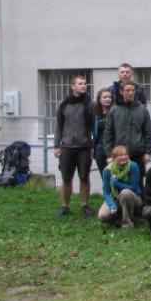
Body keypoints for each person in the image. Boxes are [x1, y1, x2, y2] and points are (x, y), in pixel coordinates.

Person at [54, 75, 94, 217]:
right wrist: (57, 145)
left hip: (84, 147)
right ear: (73, 86)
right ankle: (65, 206)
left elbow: (94, 127)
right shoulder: (65, 104)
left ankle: (85, 205)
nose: (83, 86)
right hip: (67, 147)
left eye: (85, 83)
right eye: (80, 83)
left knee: (84, 176)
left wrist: (92, 146)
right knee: (66, 178)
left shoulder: (90, 104)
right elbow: (59, 126)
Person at [103, 80, 151, 181]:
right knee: (119, 182)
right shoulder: (114, 110)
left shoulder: (142, 109)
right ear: (121, 92)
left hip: (138, 153)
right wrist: (109, 154)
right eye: (127, 90)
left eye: (132, 90)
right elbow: (108, 133)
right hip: (119, 155)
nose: (130, 93)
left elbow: (148, 132)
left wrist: (148, 152)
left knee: (138, 184)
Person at [97, 145, 142, 229]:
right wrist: (112, 206)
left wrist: (116, 183)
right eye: (120, 156)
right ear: (113, 158)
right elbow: (106, 192)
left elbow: (133, 187)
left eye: (125, 155)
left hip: (133, 197)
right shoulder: (108, 170)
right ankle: (121, 219)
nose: (123, 157)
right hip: (114, 197)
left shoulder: (133, 166)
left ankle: (127, 225)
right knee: (102, 216)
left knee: (125, 193)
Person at [92, 88, 114, 177]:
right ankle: (106, 191)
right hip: (100, 147)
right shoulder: (95, 114)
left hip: (113, 146)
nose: (108, 99)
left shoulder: (115, 112)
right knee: (104, 175)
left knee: (114, 175)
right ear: (99, 99)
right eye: (105, 97)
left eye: (109, 97)